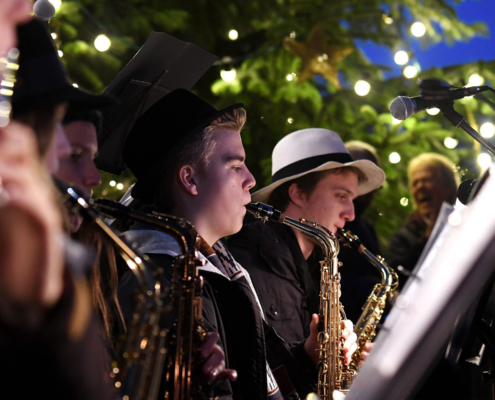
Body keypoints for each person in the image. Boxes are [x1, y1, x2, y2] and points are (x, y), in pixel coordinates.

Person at [119, 91, 357, 399]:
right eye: (235, 166)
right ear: (190, 180)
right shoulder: (165, 282)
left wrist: (307, 358)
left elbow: (253, 380)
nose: (251, 180)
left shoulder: (218, 262)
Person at [228, 129, 386, 345]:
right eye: (341, 196)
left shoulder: (311, 264)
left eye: (352, 199)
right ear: (298, 194)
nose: (351, 214)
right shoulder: (253, 261)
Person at [387, 152, 460, 284]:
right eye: (415, 183)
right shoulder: (403, 239)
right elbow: (396, 283)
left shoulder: (467, 224)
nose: (420, 186)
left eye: (427, 179)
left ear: (449, 186)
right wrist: (428, 239)